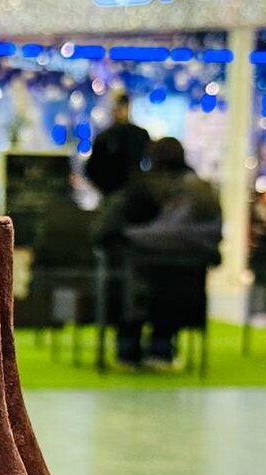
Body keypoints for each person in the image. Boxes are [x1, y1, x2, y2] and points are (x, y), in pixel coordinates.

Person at [99, 137, 222, 368]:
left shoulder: (150, 188)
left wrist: (127, 236)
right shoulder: (200, 188)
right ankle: (160, 348)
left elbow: (172, 232)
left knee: (131, 285)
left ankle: (130, 348)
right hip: (188, 277)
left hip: (150, 271)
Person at [84, 91, 150, 197]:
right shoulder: (139, 134)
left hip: (116, 191)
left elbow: (91, 170)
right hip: (130, 191)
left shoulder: (105, 136)